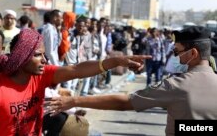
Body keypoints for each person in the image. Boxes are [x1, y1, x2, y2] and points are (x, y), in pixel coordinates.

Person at [0, 28, 150, 136]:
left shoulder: (40, 76)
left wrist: (116, 62)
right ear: (21, 57)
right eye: (37, 55)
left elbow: (76, 70)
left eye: (43, 54)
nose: (44, 60)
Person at [48, 26, 217, 136]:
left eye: (177, 52)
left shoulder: (177, 85)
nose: (175, 57)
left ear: (193, 53)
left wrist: (74, 100)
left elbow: (125, 102)